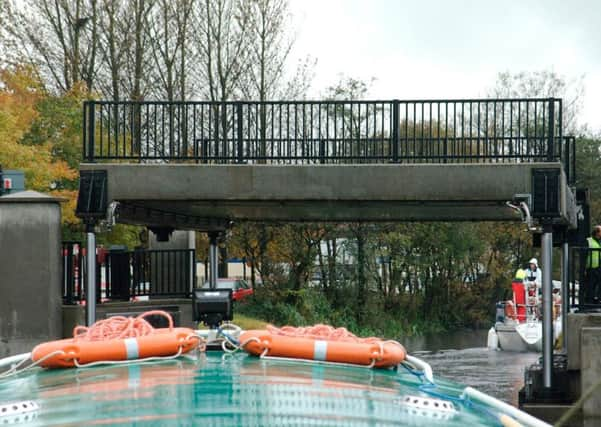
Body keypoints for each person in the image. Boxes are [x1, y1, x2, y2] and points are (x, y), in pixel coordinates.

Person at [584, 225, 601, 305]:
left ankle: (597, 300)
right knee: (591, 285)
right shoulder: (589, 241)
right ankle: (589, 301)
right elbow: (584, 255)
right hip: (591, 267)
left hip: (599, 267)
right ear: (597, 232)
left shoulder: (600, 241)